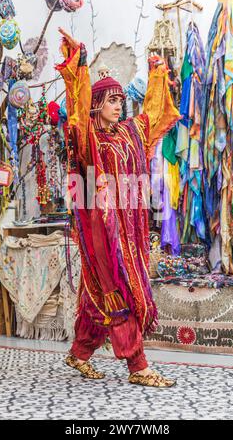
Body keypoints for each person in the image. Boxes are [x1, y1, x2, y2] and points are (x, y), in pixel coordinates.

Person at [56, 28, 181, 388]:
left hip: (130, 228)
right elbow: (76, 114)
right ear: (96, 104)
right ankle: (137, 364)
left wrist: (158, 74)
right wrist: (78, 68)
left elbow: (154, 117)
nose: (119, 106)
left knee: (97, 296)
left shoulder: (129, 133)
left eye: (121, 100)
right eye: (112, 100)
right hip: (102, 232)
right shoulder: (87, 140)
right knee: (118, 290)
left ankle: (79, 353)